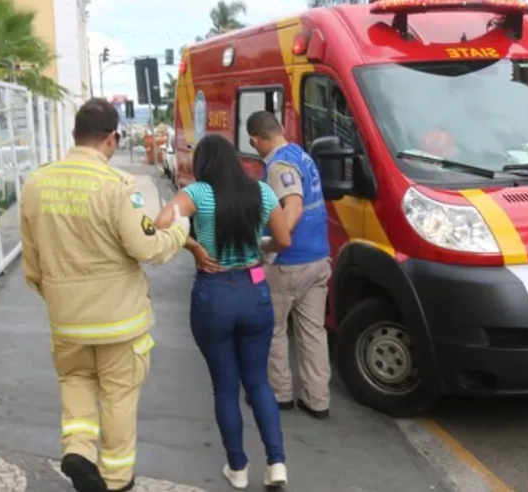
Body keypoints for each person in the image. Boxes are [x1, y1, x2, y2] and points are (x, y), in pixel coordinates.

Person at [20, 98, 191, 492]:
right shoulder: (118, 188)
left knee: (76, 383)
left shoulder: (36, 184)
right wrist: (179, 231)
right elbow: (147, 248)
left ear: (75, 135)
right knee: (118, 399)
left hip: (67, 322)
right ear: (112, 138)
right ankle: (115, 481)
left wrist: (58, 298)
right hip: (119, 325)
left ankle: (78, 449)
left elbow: (33, 262)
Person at [155, 134, 292, 490]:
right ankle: (276, 462)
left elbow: (161, 222)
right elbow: (283, 240)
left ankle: (238, 468)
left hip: (213, 294)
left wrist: (194, 246)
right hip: (254, 290)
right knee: (259, 382)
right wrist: (261, 245)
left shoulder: (199, 193)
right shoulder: (261, 192)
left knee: (225, 388)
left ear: (204, 163)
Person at [245, 110, 333, 420]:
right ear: (280, 128)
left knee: (274, 328)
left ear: (255, 140)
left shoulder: (279, 165)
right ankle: (317, 399)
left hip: (288, 263)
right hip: (319, 259)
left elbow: (292, 205)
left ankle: (280, 394)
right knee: (312, 332)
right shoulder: (301, 155)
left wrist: (276, 243)